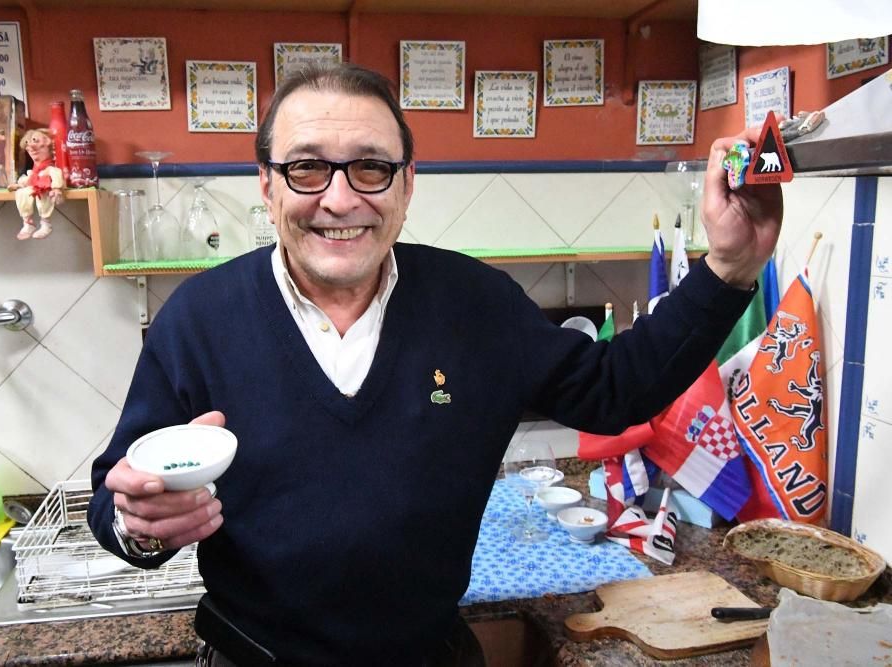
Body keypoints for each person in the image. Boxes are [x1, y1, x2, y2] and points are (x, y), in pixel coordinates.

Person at [88, 63, 782, 667]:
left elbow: (614, 390)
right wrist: (138, 525)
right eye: (306, 166)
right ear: (267, 184)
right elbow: (115, 498)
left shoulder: (474, 303)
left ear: (407, 184)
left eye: (370, 166)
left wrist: (729, 266)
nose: (339, 198)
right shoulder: (199, 319)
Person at [8, 128, 65, 240]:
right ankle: (28, 223)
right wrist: (19, 185)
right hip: (34, 185)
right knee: (22, 193)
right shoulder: (34, 171)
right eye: (29, 149)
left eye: (38, 145)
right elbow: (29, 180)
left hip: (44, 187)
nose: (32, 150)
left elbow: (57, 174)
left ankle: (45, 223)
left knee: (43, 193)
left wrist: (57, 188)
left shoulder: (50, 169)